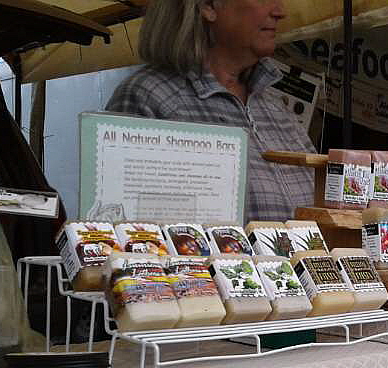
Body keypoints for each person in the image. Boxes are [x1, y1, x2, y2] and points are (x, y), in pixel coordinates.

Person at [106, 0, 315, 222]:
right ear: (208, 6)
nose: (280, 12)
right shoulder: (149, 97)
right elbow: (124, 227)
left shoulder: (276, 109)